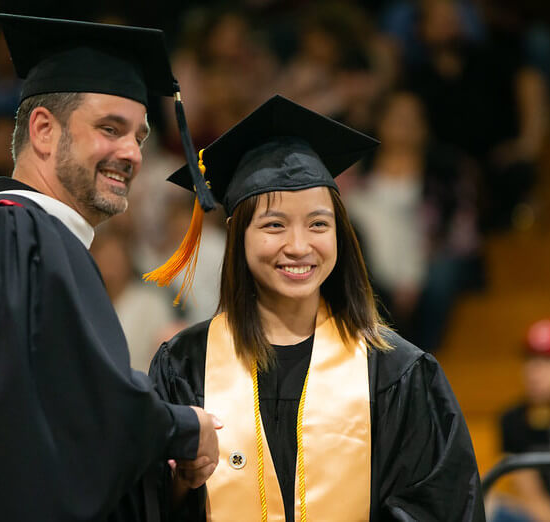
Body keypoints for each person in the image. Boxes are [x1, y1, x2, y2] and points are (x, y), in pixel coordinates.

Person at [0, 13, 222, 522]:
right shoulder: (7, 238)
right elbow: (32, 428)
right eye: (110, 129)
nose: (132, 153)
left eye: (139, 135)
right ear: (44, 131)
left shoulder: (32, 244)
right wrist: (181, 427)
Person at [146, 95, 485, 521]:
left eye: (318, 224)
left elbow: (441, 507)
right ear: (238, 236)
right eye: (274, 225)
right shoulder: (185, 367)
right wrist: (181, 485)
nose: (299, 246)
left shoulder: (395, 372)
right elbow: (143, 503)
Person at [499, 318, 550, 522]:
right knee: (489, 504)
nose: (534, 371)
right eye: (530, 358)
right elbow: (533, 499)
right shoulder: (514, 420)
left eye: (548, 360)